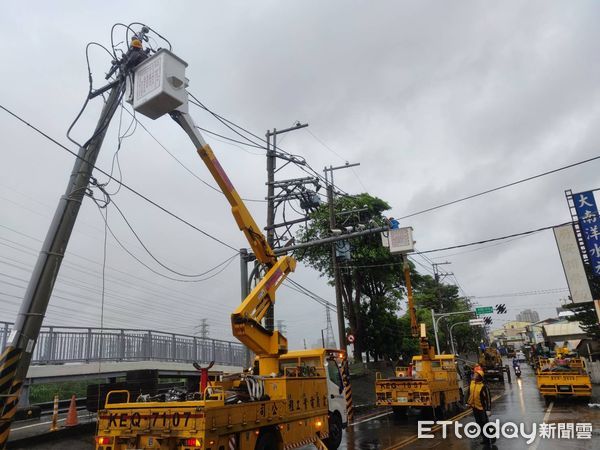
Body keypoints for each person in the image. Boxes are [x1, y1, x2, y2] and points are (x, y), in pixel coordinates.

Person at [467, 366, 494, 446]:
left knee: (485, 423)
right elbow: (469, 393)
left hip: (482, 408)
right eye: (474, 374)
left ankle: (491, 436)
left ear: (479, 376)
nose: (474, 376)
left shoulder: (483, 386)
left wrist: (488, 409)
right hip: (474, 407)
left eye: (476, 375)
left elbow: (488, 398)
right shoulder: (472, 384)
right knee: (479, 423)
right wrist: (467, 402)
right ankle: (485, 439)